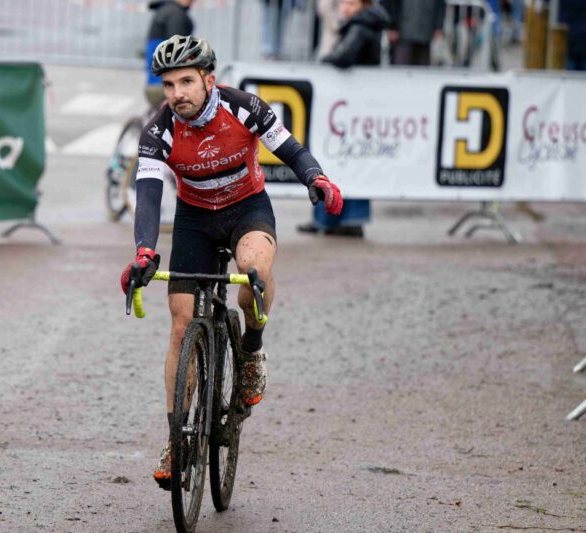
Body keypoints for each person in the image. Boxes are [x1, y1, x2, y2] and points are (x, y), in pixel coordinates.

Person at [120, 35, 343, 489]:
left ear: (209, 79)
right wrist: (144, 250)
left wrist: (316, 178)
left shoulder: (244, 108)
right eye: (168, 85)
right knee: (181, 323)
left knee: (254, 273)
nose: (177, 94)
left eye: (186, 81)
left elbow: (291, 150)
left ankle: (252, 350)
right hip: (195, 220)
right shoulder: (159, 131)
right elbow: (148, 195)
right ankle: (177, 439)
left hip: (247, 209)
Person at [298, 0, 388, 237]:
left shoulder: (361, 25)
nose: (346, 8)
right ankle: (338, 218)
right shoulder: (366, 24)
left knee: (339, 159)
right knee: (352, 160)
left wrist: (325, 63)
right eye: (344, 3)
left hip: (350, 108)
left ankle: (334, 219)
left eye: (351, 3)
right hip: (355, 107)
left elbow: (343, 56)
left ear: (364, 5)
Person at [145, 0, 195, 107]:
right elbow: (178, 51)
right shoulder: (175, 15)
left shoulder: (165, 11)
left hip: (155, 83)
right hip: (166, 86)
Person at [382, 0, 445, 66]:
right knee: (401, 66)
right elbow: (390, 4)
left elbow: (440, 4)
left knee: (423, 68)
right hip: (402, 35)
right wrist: (392, 27)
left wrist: (438, 26)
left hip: (425, 34)